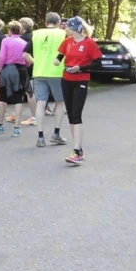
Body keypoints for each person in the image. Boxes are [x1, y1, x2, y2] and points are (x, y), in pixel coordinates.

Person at [56, 16, 104, 165]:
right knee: (71, 115)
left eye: (68, 26)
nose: (65, 28)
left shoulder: (89, 43)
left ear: (75, 28)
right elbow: (60, 56)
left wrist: (80, 68)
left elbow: (98, 63)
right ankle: (78, 149)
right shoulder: (67, 42)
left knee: (76, 114)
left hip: (81, 81)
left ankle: (76, 151)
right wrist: (57, 61)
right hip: (66, 80)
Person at [25, 12, 68, 148]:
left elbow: (25, 54)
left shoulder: (36, 34)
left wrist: (36, 63)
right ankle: (56, 133)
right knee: (60, 103)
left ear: (45, 22)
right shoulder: (63, 34)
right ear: (59, 22)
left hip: (39, 72)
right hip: (57, 72)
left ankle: (40, 136)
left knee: (41, 104)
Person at [0, 21, 30, 137]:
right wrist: (25, 66)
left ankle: (0, 125)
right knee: (19, 98)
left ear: (10, 30)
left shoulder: (6, 41)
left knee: (3, 98)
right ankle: (17, 128)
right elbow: (27, 59)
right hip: (21, 70)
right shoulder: (24, 42)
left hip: (8, 70)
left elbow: (2, 57)